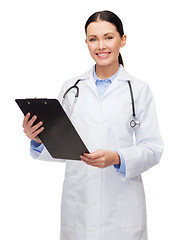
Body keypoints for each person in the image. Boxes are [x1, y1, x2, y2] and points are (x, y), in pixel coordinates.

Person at [22, 10, 163, 240]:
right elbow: (61, 145)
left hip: (121, 206)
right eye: (93, 39)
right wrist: (38, 138)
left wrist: (117, 157)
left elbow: (153, 149)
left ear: (122, 40)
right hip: (79, 206)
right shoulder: (71, 88)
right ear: (86, 42)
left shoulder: (138, 90)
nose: (101, 46)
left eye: (108, 37)